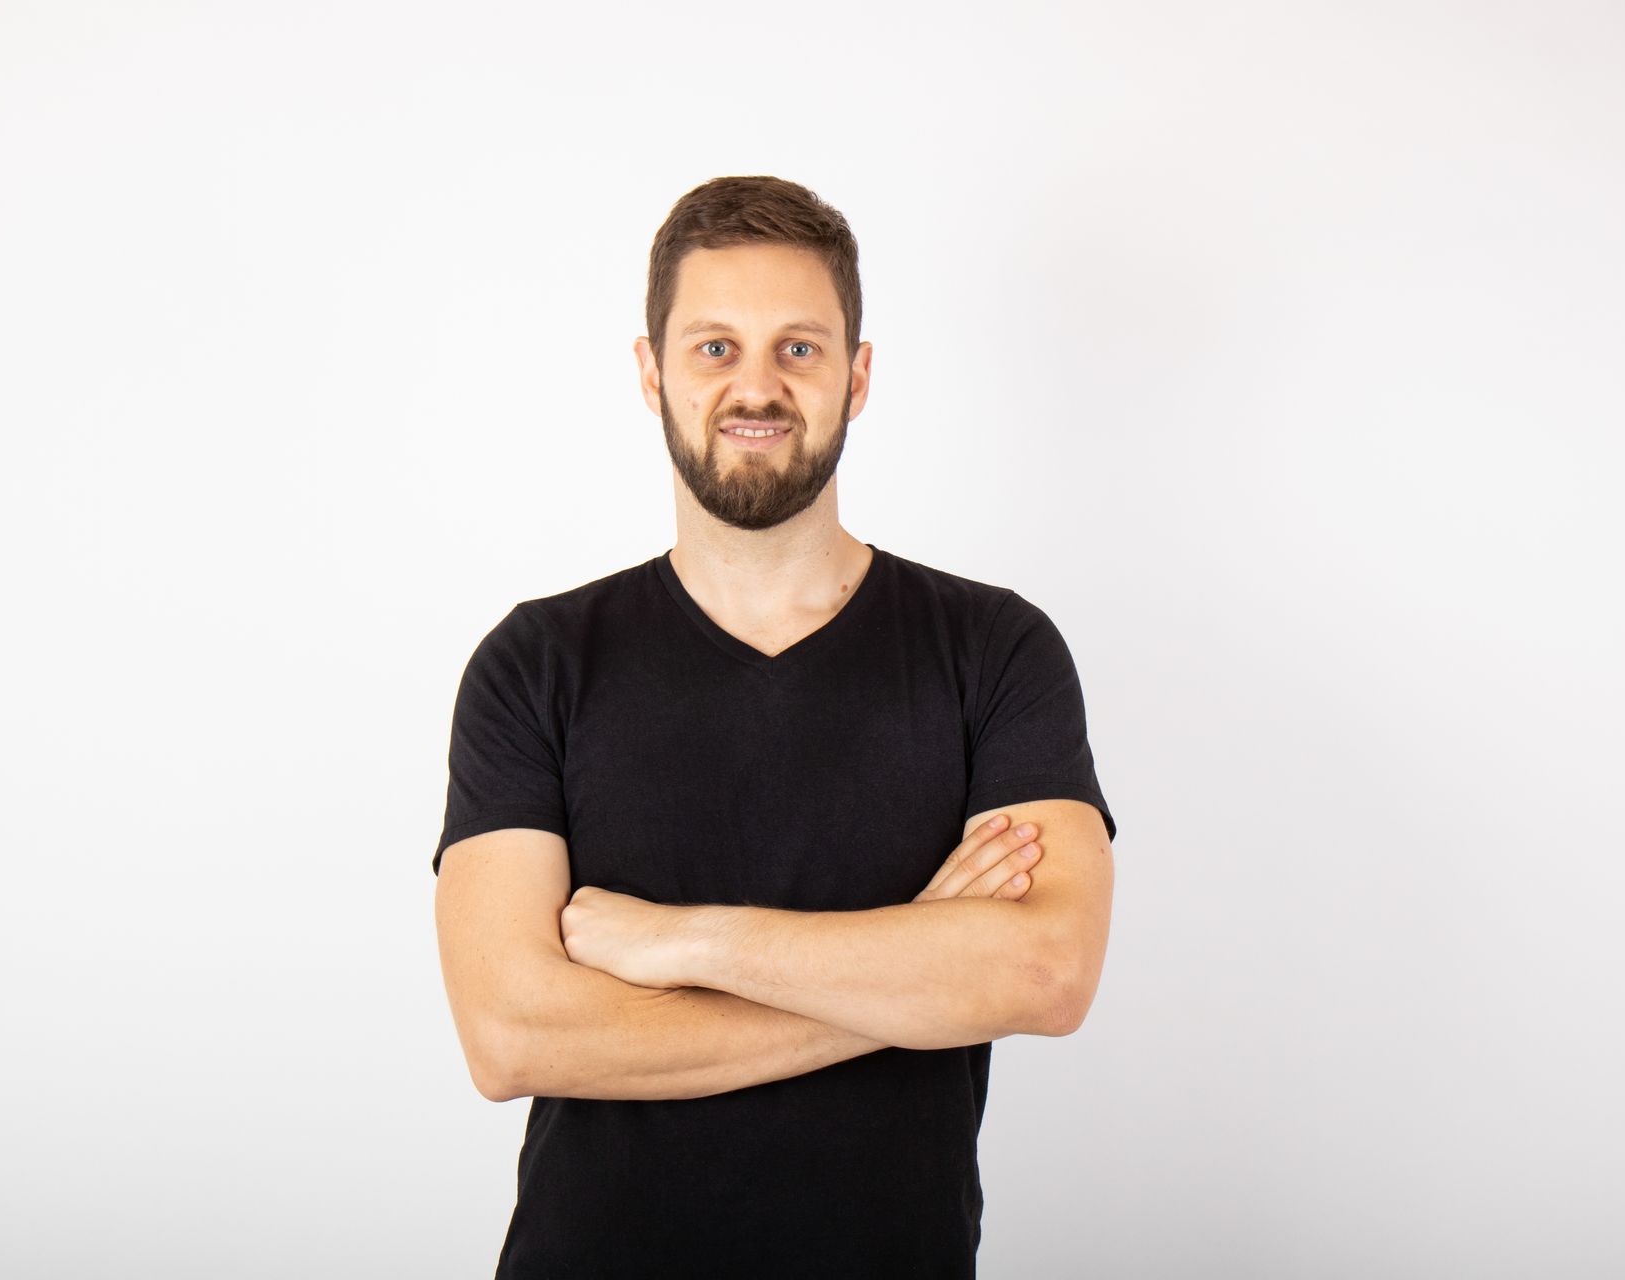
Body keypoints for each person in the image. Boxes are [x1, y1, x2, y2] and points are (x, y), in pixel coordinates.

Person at [431, 175, 1118, 1278]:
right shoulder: (536, 662)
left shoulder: (993, 649)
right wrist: (913, 973)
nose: (756, 385)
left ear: (858, 374)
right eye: (715, 348)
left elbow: (1045, 970)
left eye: (799, 348)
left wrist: (686, 942)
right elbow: (512, 1036)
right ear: (651, 372)